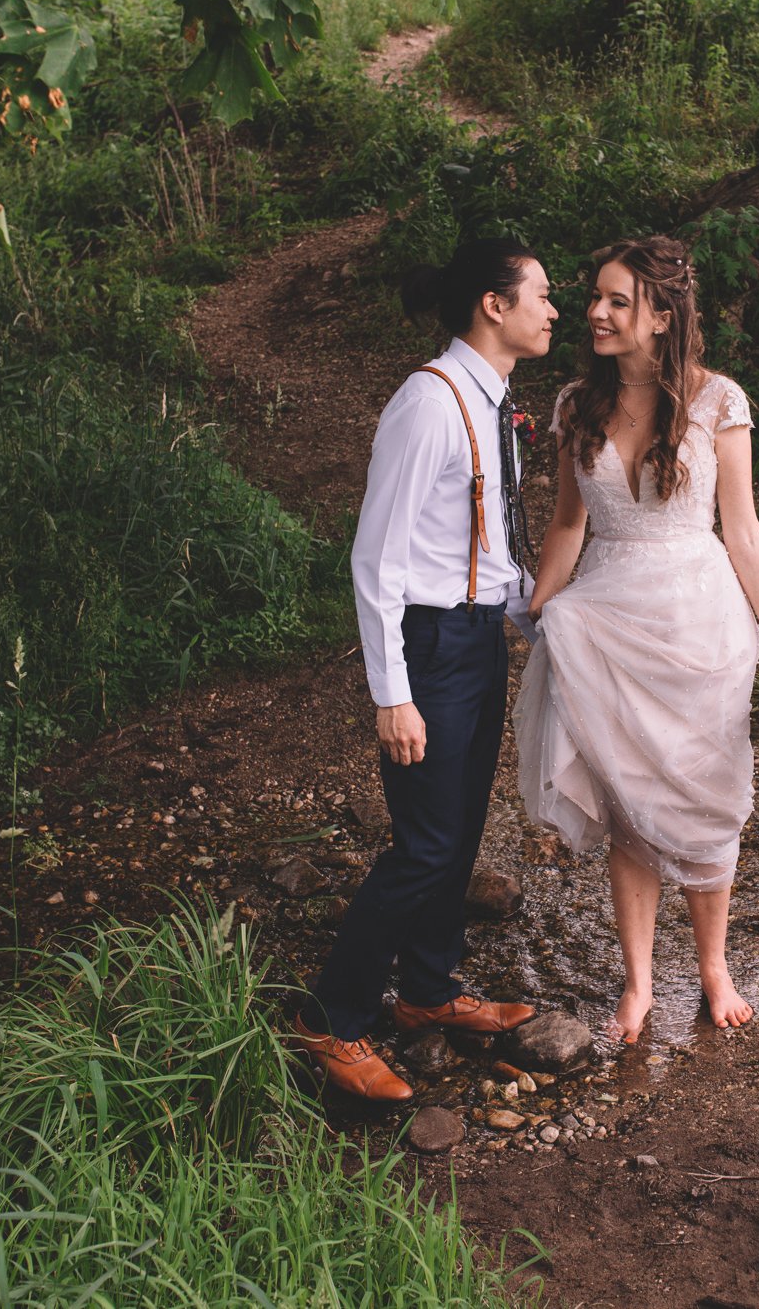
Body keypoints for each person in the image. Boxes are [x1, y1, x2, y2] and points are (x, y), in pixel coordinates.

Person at [515, 236, 759, 1045]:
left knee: (705, 797)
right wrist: (537, 607)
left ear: (662, 314)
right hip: (608, 619)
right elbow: (569, 524)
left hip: (701, 623)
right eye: (596, 299)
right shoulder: (578, 403)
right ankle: (640, 984)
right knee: (628, 803)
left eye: (617, 301)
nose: (596, 314)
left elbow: (745, 535)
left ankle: (714, 969)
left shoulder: (719, 402)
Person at [293, 239, 555, 1101]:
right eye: (541, 296)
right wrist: (392, 694)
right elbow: (378, 559)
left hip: (479, 639)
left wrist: (544, 620)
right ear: (493, 304)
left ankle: (430, 993)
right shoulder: (430, 403)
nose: (553, 311)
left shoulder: (494, 401)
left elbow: (484, 547)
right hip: (430, 649)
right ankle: (331, 1020)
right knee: (425, 846)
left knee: (462, 829)